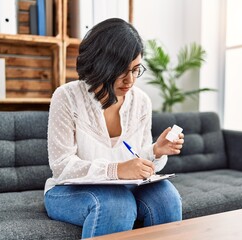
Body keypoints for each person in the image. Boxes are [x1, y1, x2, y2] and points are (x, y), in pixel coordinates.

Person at [44, 18, 184, 238]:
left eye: (136, 70)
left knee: (166, 196)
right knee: (117, 204)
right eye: (121, 70)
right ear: (102, 64)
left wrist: (156, 150)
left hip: (125, 187)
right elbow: (62, 166)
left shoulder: (141, 102)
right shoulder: (67, 97)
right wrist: (116, 170)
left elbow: (134, 157)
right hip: (68, 190)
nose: (130, 80)